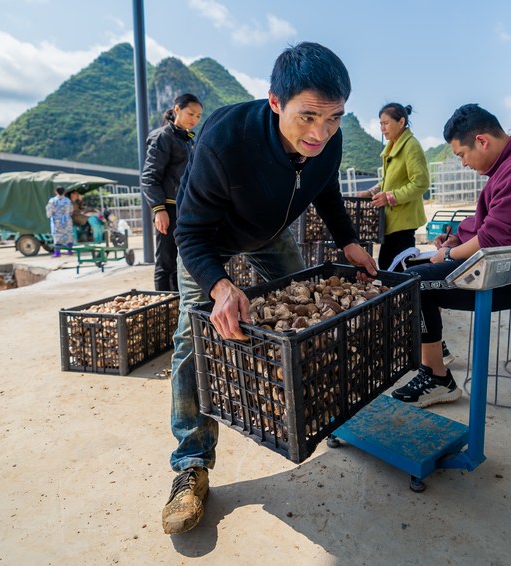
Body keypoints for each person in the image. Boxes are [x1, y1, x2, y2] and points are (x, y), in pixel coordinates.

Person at [163, 42, 377, 535]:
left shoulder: (330, 140)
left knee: (302, 310)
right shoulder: (224, 140)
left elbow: (325, 190)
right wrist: (219, 286)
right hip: (208, 240)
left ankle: (293, 403)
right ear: (275, 102)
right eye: (307, 117)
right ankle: (190, 464)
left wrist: (348, 242)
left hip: (269, 233)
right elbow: (189, 232)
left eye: (334, 118)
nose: (320, 133)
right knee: (191, 340)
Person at [391, 103, 511, 408]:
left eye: (462, 154)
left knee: (414, 284)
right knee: (413, 276)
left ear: (482, 141)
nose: (463, 163)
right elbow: (486, 226)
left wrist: (449, 253)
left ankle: (437, 377)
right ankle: (435, 352)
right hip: (504, 264)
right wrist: (455, 239)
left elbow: (495, 238)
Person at [141, 94, 204, 291]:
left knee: (182, 262)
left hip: (185, 209)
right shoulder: (163, 136)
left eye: (199, 116)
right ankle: (163, 307)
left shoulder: (187, 140)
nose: (194, 119)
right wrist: (159, 209)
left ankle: (177, 306)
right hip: (168, 208)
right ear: (177, 109)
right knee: (165, 263)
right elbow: (149, 176)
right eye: (190, 113)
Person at [356, 103, 429, 271]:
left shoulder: (411, 146)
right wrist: (372, 191)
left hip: (403, 222)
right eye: (380, 124)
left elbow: (421, 183)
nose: (382, 128)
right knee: (388, 265)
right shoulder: (394, 146)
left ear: (401, 122)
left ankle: (404, 297)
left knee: (395, 267)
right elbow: (389, 181)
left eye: (386, 123)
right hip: (392, 222)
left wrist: (389, 197)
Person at [45, 186, 74, 256]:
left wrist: (50, 216)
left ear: (56, 192)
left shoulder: (53, 201)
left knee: (57, 236)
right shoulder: (68, 200)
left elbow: (49, 211)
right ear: (64, 192)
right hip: (67, 220)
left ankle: (57, 253)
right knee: (68, 235)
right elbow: (71, 210)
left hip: (57, 221)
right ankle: (69, 251)